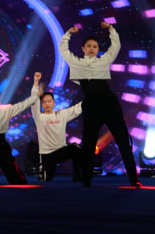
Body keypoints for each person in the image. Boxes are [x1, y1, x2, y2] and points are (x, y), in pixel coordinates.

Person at [60, 22, 141, 187]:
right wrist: (68, 34)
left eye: (95, 46)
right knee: (88, 143)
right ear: (83, 48)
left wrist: (111, 30)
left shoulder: (104, 60)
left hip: (109, 104)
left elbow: (115, 46)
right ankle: (87, 179)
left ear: (98, 49)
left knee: (122, 141)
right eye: (88, 46)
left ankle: (134, 179)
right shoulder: (76, 62)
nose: (91, 49)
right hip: (91, 105)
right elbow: (63, 50)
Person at [31, 91, 82, 182]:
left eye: (49, 101)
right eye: (44, 102)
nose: (47, 104)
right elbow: (33, 102)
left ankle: (78, 176)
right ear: (41, 104)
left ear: (54, 102)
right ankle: (43, 169)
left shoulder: (61, 115)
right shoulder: (39, 117)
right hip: (47, 154)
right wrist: (35, 85)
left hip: (61, 151)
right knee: (46, 179)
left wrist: (90, 94)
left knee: (76, 148)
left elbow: (77, 108)